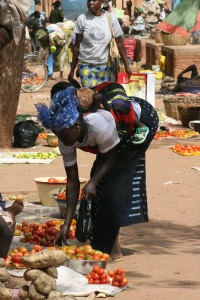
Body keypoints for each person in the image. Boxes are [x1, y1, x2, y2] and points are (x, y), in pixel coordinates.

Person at [35, 82, 159, 260]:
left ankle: (108, 248)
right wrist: (66, 224)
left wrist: (93, 182)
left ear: (76, 125)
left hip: (137, 123)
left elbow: (109, 157)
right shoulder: (66, 134)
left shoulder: (99, 124)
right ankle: (104, 242)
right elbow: (72, 180)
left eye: (63, 136)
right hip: (112, 134)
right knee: (98, 183)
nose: (61, 140)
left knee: (113, 185)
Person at [50, 81, 150, 143]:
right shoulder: (70, 105)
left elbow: (98, 97)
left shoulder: (82, 98)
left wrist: (92, 112)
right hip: (101, 99)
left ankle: (140, 126)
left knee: (121, 107)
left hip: (111, 90)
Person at [68, 0, 132, 88]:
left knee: (104, 96)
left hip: (106, 67)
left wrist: (126, 66)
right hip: (86, 66)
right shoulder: (82, 19)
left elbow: (119, 43)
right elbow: (76, 46)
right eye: (89, 0)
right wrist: (72, 70)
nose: (91, 2)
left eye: (94, 0)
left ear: (101, 2)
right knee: (90, 96)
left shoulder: (111, 18)